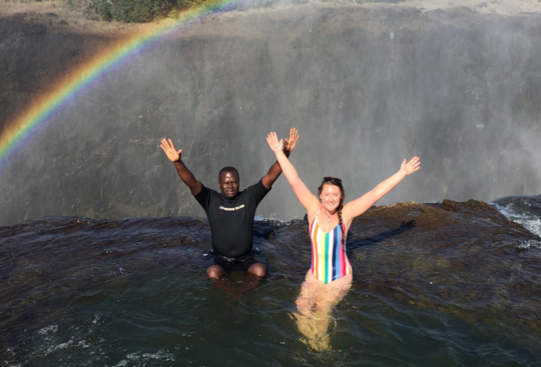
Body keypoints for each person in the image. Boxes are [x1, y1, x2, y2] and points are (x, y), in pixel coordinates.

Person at [265, 131, 420, 351]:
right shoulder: (312, 208)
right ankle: (315, 348)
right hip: (315, 275)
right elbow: (293, 179)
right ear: (320, 195)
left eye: (335, 195)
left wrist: (401, 173)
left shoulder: (347, 213)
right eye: (327, 194)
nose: (330, 198)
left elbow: (375, 194)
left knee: (320, 313)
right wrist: (279, 152)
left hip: (339, 278)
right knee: (300, 309)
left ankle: (322, 356)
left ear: (341, 198)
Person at [161, 128, 298, 293]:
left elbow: (270, 177)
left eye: (233, 182)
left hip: (246, 256)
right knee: (213, 273)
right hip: (220, 257)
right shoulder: (210, 199)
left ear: (238, 182)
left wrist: (285, 153)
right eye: (226, 183)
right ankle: (232, 294)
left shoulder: (249, 197)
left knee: (260, 271)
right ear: (219, 184)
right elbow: (192, 182)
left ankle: (240, 292)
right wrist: (177, 162)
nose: (230, 186)